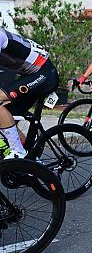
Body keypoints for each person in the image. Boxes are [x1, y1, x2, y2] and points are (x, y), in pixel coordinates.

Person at [0, 28, 59, 158]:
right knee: (6, 116)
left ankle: (18, 151)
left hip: (44, 75)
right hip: (31, 75)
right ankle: (29, 160)